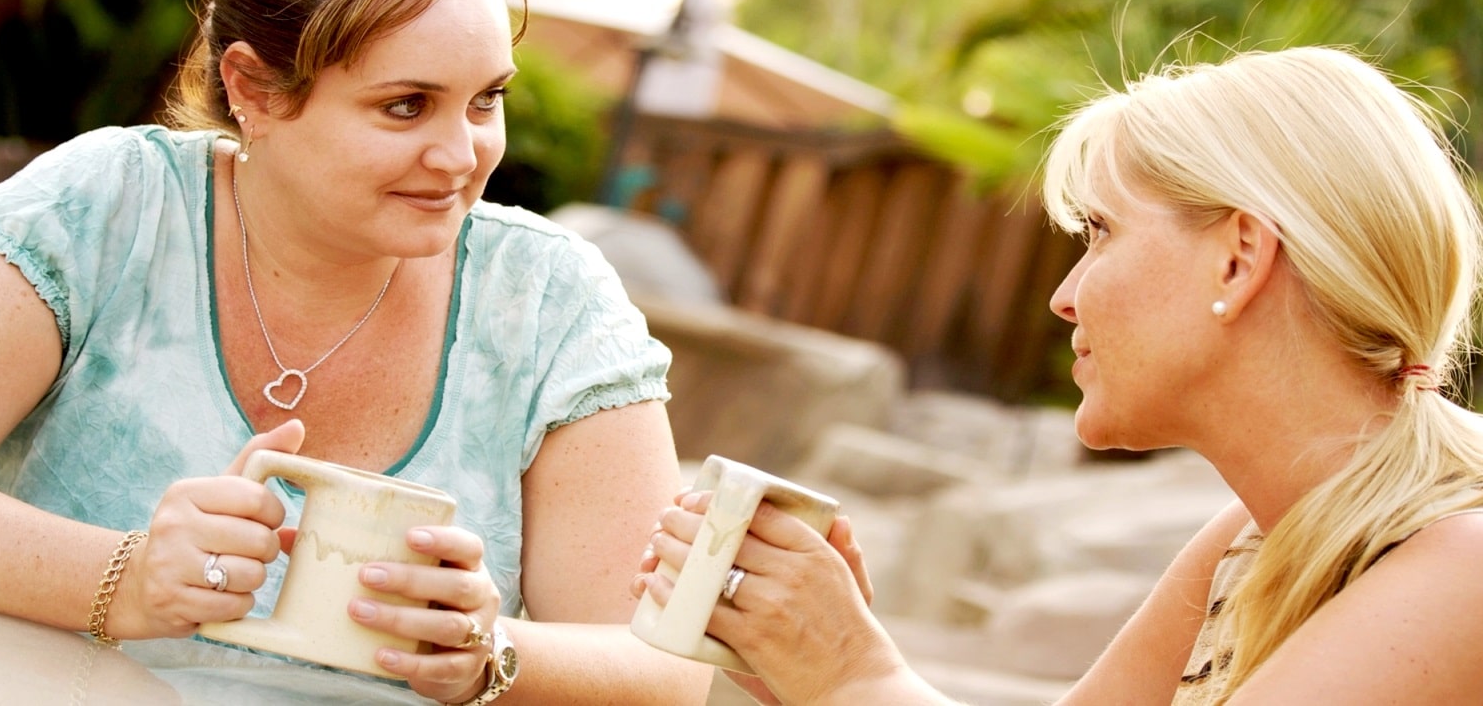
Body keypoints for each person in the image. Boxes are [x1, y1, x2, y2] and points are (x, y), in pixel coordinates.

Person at [0, 0, 713, 703]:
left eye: (484, 101)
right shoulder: (108, 208)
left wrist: (490, 654)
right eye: (405, 105)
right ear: (252, 87)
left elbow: (665, 672)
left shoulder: (548, 301)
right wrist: (122, 577)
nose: (461, 157)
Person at [636, 45, 1483, 705]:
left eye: (1101, 235)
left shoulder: (1459, 566)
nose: (1064, 297)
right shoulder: (1254, 538)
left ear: (1238, 260)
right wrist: (807, 658)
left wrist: (850, 674)